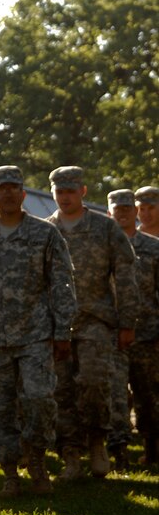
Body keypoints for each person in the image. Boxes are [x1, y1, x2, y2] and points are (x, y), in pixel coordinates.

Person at [0, 165, 77, 498]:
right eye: (0, 189)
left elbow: (62, 284)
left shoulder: (45, 234)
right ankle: (10, 473)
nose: (7, 194)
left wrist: (63, 330)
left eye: (13, 188)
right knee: (0, 407)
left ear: (23, 194)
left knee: (39, 399)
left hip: (36, 332)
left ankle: (36, 461)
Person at [46, 166, 138, 481]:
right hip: (56, 322)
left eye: (71, 191)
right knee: (61, 390)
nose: (65, 197)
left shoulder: (105, 227)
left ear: (83, 191)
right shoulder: (45, 230)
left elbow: (125, 274)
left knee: (95, 382)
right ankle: (71, 454)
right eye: (60, 192)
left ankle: (97, 442)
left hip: (96, 320)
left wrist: (127, 321)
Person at [107, 189, 159, 468]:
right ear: (109, 212)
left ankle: (152, 450)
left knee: (147, 394)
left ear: (135, 211)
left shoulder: (153, 247)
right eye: (117, 209)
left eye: (127, 209)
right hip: (110, 333)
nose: (123, 213)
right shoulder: (102, 246)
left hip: (146, 333)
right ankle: (119, 452)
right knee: (115, 395)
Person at [131, 187, 159, 464]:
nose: (145, 213)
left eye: (151, 207)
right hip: (131, 329)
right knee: (140, 392)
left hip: (153, 330)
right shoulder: (126, 239)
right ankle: (147, 447)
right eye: (141, 207)